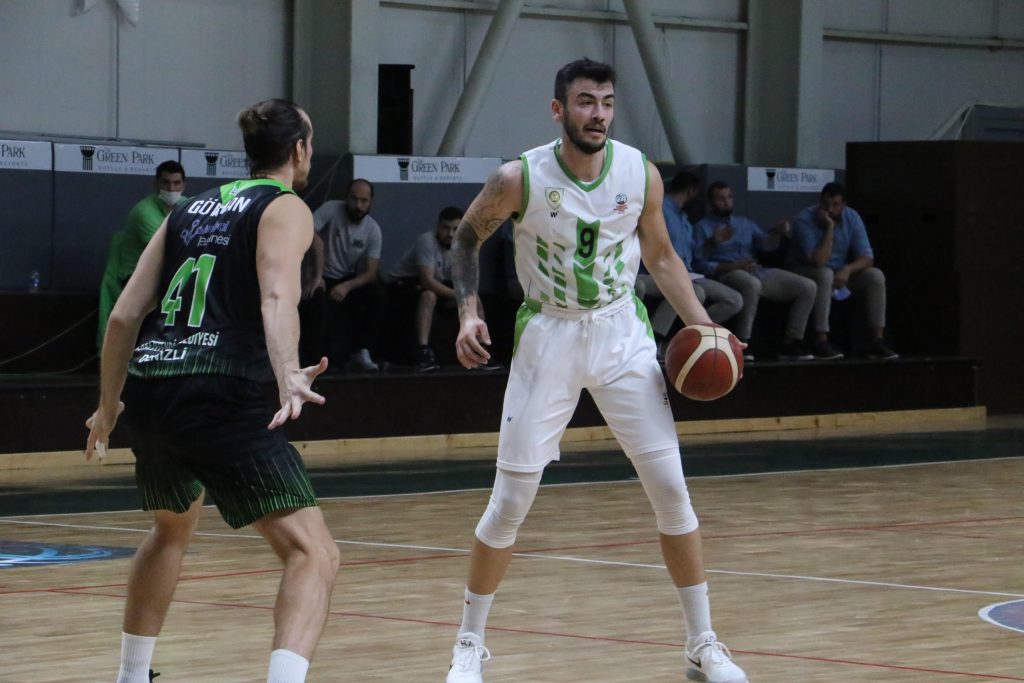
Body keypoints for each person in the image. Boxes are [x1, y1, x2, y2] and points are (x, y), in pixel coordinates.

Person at [443, 58, 748, 683]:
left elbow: (662, 256)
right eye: (585, 102)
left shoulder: (639, 172)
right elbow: (466, 238)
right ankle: (468, 644)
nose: (598, 114)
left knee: (672, 492)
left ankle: (703, 642)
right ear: (559, 110)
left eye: (607, 102)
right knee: (510, 501)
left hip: (620, 334)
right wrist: (468, 312)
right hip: (548, 335)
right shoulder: (519, 177)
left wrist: (706, 329)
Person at [84, 99, 339, 683]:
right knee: (313, 552)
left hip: (151, 389)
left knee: (171, 529)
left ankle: (131, 675)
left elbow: (123, 316)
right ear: (299, 150)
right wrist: (288, 371)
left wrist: (107, 407)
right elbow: (277, 296)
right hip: (218, 390)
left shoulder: (188, 208)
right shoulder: (285, 207)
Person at [694, 181, 817, 362]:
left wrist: (776, 233)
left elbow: (766, 245)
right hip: (727, 272)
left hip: (756, 270)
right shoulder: (703, 226)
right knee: (752, 284)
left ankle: (791, 342)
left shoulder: (744, 223)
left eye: (729, 197)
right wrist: (715, 246)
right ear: (711, 202)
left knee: (808, 286)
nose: (726, 202)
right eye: (720, 199)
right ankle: (743, 342)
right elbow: (699, 264)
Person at [636, 171, 743, 357]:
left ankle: (686, 338)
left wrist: (713, 242)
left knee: (734, 299)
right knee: (692, 290)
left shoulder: (684, 217)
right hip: (656, 272)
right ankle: (654, 341)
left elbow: (694, 254)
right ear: (692, 191)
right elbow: (661, 256)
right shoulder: (659, 209)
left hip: (689, 273)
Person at [788, 182, 899, 360]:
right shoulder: (804, 220)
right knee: (825, 273)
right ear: (819, 202)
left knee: (875, 275)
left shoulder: (852, 217)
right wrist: (830, 227)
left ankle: (877, 340)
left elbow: (867, 257)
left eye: (835, 205)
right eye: (825, 204)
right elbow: (819, 261)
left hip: (839, 274)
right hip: (806, 273)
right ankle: (821, 340)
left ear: (844, 205)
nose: (830, 210)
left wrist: (848, 269)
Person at [385, 206, 490, 372]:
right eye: (445, 228)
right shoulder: (426, 241)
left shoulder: (464, 245)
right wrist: (459, 296)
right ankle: (423, 353)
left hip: (436, 282)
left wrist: (466, 297)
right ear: (438, 226)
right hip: (402, 285)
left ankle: (480, 351)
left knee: (474, 299)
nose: (450, 233)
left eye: (455, 229)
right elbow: (427, 281)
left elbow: (466, 281)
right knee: (429, 296)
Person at [97, 160, 188, 350]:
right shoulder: (144, 211)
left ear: (184, 185)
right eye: (166, 183)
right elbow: (170, 249)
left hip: (168, 275)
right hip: (135, 277)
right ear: (156, 184)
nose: (171, 189)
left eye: (176, 183)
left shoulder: (187, 205)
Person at [300, 178, 386, 372]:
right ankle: (314, 364)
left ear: (371, 202)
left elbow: (370, 273)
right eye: (354, 199)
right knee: (316, 299)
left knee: (377, 294)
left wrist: (347, 286)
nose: (358, 205)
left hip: (346, 279)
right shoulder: (331, 209)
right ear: (346, 198)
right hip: (319, 276)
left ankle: (362, 351)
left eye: (364, 201)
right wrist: (316, 276)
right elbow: (308, 232)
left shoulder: (373, 230)